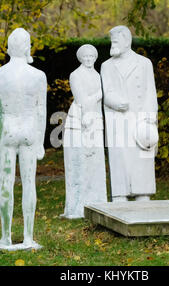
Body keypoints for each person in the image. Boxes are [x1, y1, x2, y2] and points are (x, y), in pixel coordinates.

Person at [0, 28, 47, 250]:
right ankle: (28, 237)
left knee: (6, 184)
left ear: (8, 47)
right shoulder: (38, 76)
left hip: (8, 133)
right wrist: (40, 141)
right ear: (26, 47)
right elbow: (41, 111)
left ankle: (5, 237)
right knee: (29, 183)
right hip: (30, 132)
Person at [100, 26, 159, 202]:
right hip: (117, 120)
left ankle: (143, 194)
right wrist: (114, 102)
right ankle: (120, 194)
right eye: (112, 42)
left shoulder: (144, 63)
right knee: (119, 159)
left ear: (127, 40)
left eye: (116, 41)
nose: (113, 45)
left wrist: (150, 119)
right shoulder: (106, 66)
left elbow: (150, 92)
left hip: (141, 119)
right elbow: (105, 92)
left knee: (142, 159)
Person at [61, 44, 107, 218]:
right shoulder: (75, 75)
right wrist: (100, 94)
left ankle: (97, 201)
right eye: (85, 57)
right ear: (81, 58)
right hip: (80, 120)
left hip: (95, 119)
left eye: (91, 56)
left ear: (95, 57)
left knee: (94, 162)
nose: (88, 60)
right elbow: (82, 100)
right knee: (80, 161)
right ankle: (78, 206)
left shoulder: (97, 75)